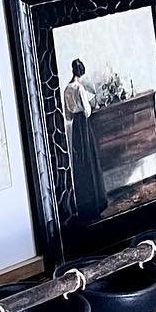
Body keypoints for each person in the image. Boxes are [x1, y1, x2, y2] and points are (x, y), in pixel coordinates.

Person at [62, 58, 109, 223]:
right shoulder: (79, 88)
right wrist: (87, 106)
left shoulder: (66, 89)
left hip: (75, 127)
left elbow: (67, 115)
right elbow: (88, 111)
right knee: (89, 159)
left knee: (81, 163)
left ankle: (85, 206)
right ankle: (97, 202)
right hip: (84, 123)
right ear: (80, 72)